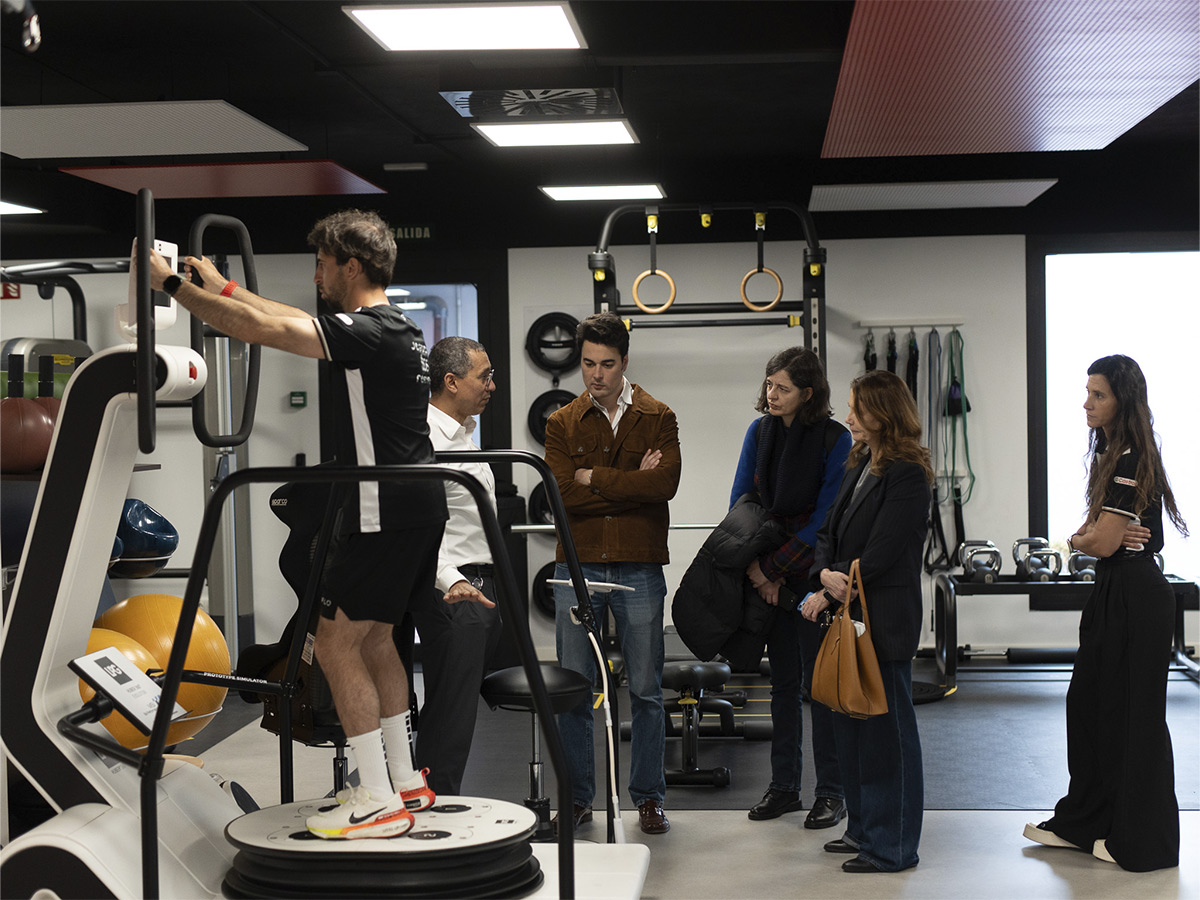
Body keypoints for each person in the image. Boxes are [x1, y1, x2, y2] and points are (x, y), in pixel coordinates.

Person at [146, 210, 448, 840]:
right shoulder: (399, 329)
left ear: (351, 267)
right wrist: (222, 286)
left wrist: (173, 288)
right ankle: (405, 781)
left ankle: (374, 797)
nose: (316, 276)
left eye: (322, 264)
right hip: (417, 505)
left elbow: (261, 330)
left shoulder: (366, 333)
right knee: (378, 641)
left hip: (381, 509)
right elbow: (283, 316)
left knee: (336, 644)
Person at [1023, 354, 1187, 871]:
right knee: (1090, 707)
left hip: (1138, 597)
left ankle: (1142, 841)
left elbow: (1104, 538)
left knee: (1136, 718)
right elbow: (1095, 538)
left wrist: (1086, 538)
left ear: (1123, 402)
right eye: (1087, 392)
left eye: (1098, 395)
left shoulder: (1134, 456)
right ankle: (1086, 821)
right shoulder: (1109, 456)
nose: (1086, 402)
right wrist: (1087, 537)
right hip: (1114, 590)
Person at [543, 311, 681, 835]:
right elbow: (562, 497)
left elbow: (663, 486)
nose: (595, 375)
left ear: (625, 361)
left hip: (640, 565)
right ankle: (577, 800)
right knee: (576, 689)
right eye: (587, 364)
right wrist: (627, 485)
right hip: (576, 566)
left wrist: (595, 478)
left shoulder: (659, 416)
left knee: (646, 689)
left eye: (606, 364)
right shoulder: (562, 422)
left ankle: (649, 798)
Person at [802, 369, 932, 873]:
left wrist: (838, 583)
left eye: (857, 408)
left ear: (884, 414)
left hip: (885, 620)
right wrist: (824, 574)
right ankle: (863, 830)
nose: (849, 417)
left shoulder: (906, 474)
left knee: (888, 739)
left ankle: (893, 846)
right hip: (851, 613)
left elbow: (883, 551)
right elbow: (827, 533)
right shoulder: (860, 463)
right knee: (853, 733)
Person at [730, 348, 852, 828]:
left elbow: (827, 517)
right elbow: (742, 500)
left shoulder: (834, 439)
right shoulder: (758, 433)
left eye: (781, 387)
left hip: (813, 575)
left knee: (818, 686)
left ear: (807, 392)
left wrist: (774, 570)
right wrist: (757, 568)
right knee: (780, 684)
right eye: (768, 385)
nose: (771, 394)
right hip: (765, 569)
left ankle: (830, 792)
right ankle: (783, 788)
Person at [411, 336, 503, 797]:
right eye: (483, 376)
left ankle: (428, 798)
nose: (492, 385)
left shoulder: (463, 434)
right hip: (454, 589)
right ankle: (435, 808)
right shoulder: (425, 439)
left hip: (482, 584)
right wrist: (454, 580)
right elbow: (416, 529)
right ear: (450, 381)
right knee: (451, 712)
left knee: (453, 706)